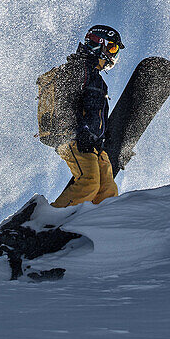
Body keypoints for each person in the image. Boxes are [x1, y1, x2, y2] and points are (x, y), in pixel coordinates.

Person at [50, 25, 124, 209]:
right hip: (73, 136)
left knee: (107, 191)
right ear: (100, 43)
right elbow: (65, 100)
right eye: (112, 48)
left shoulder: (96, 78)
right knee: (89, 182)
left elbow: (95, 113)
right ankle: (46, 223)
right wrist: (82, 130)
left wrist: (103, 137)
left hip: (92, 142)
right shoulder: (78, 68)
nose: (113, 55)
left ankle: (96, 225)